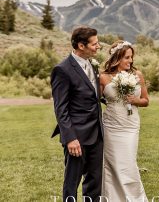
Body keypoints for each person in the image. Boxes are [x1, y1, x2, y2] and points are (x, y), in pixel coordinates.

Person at [51, 26, 103, 202]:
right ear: (81, 45)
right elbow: (61, 108)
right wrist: (70, 138)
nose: (98, 46)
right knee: (72, 182)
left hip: (97, 135)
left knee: (95, 181)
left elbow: (92, 97)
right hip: (77, 137)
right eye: (95, 44)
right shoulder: (62, 70)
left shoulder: (92, 65)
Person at [100, 40, 149, 201]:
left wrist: (135, 100)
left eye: (131, 57)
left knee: (128, 164)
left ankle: (135, 198)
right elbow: (92, 100)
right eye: (127, 57)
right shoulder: (103, 77)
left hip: (130, 126)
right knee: (112, 165)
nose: (131, 61)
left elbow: (146, 101)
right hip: (111, 126)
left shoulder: (137, 75)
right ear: (117, 58)